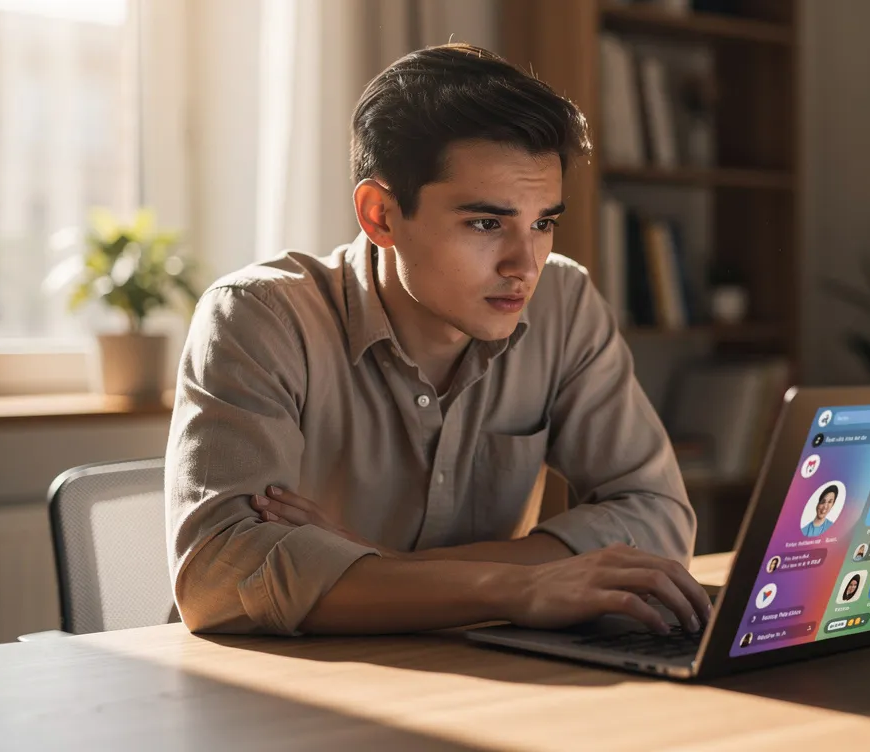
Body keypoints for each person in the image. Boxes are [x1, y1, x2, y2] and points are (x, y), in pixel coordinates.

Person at [165, 44, 708, 639]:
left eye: (543, 223)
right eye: (485, 223)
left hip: (467, 679)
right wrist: (518, 586)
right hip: (274, 695)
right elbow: (219, 578)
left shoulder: (563, 300)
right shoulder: (259, 316)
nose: (524, 265)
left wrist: (385, 568)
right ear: (381, 216)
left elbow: (657, 517)